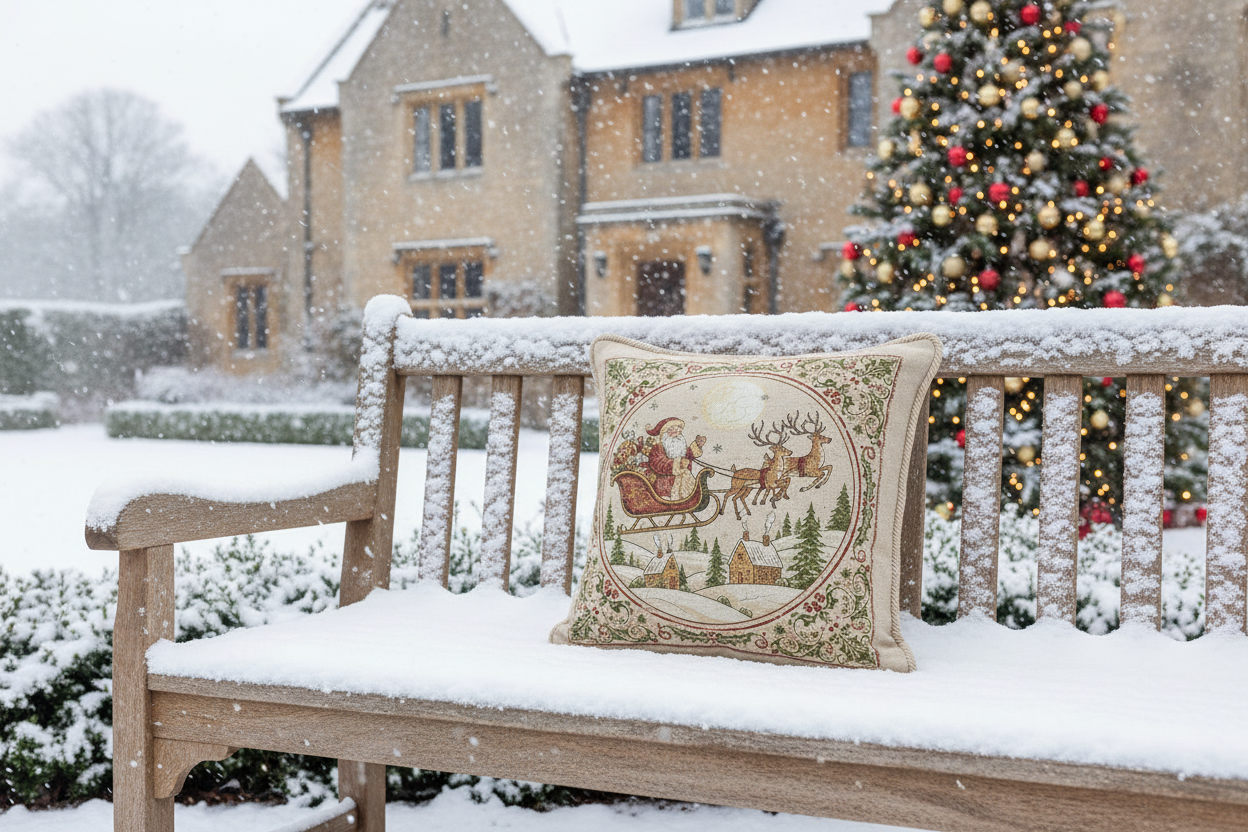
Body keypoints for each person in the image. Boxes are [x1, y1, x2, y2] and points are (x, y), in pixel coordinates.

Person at [645, 417, 706, 500]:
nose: (675, 431)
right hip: (666, 483)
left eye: (678, 428)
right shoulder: (658, 447)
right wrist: (678, 463)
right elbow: (657, 463)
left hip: (684, 480)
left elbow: (688, 454)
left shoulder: (681, 446)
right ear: (664, 431)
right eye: (671, 428)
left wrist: (697, 445)